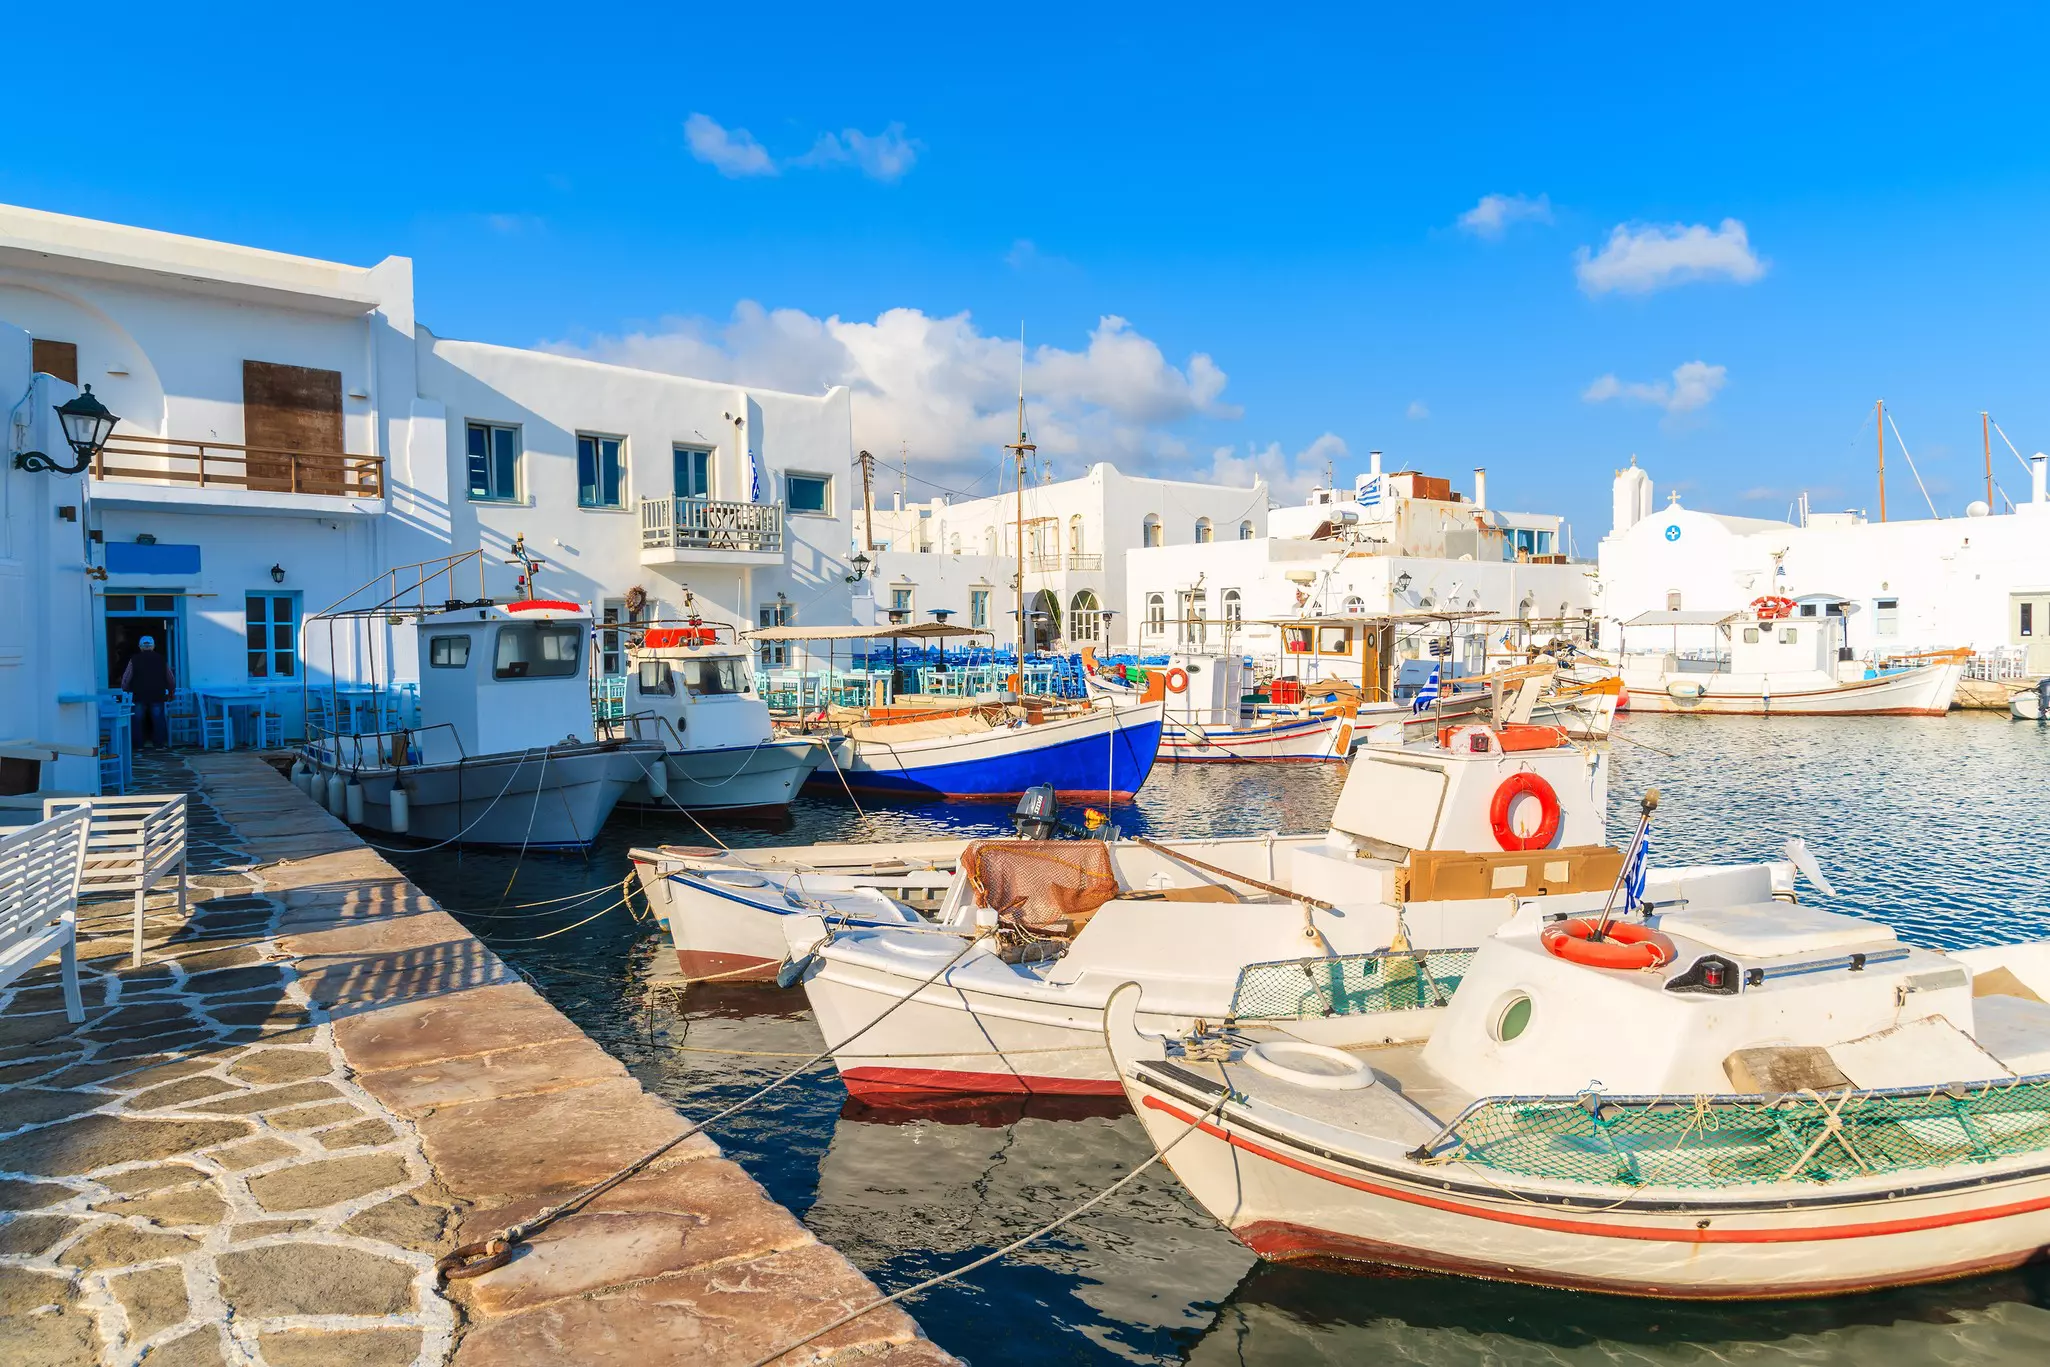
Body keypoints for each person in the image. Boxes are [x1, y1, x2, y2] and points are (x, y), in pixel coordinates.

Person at [120, 636, 172, 748]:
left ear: (140, 647)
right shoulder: (161, 659)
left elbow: (126, 678)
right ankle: (159, 744)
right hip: (157, 694)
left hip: (139, 694)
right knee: (158, 719)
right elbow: (170, 677)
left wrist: (125, 690)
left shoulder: (134, 659)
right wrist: (171, 691)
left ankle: (138, 744)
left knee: (137, 720)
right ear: (153, 646)